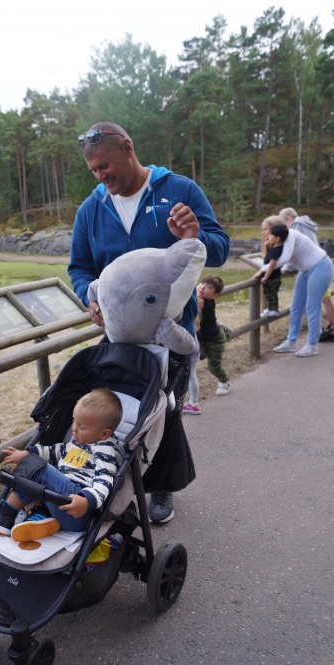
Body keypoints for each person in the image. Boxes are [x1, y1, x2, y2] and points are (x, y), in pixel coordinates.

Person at [68, 122, 230, 524]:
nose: (101, 176)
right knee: (122, 410)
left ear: (127, 147)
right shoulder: (91, 209)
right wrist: (90, 294)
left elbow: (220, 247)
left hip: (170, 333)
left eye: (105, 165)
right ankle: (115, 481)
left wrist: (196, 235)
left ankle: (160, 487)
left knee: (165, 408)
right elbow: (80, 269)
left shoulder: (179, 189)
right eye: (94, 171)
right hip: (118, 335)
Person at [0, 388, 123, 541]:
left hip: (76, 510)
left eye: (82, 426)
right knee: (35, 470)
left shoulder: (105, 450)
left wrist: (87, 501)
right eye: (74, 421)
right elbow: (55, 451)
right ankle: (40, 516)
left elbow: (104, 480)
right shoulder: (77, 442)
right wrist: (29, 453)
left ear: (104, 434)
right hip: (55, 503)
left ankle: (4, 515)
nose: (74, 428)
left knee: (39, 469)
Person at [267, 225, 334, 357]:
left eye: (267, 231)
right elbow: (278, 260)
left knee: (312, 307)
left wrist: (263, 271)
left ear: (277, 235)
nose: (265, 234)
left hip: (320, 267)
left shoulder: (291, 235)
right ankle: (291, 341)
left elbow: (285, 258)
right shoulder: (279, 242)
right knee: (296, 307)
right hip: (305, 271)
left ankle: (312, 345)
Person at [182, 275, 230, 411]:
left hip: (215, 340)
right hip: (201, 339)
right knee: (196, 361)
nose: (203, 286)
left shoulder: (203, 302)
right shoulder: (202, 300)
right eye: (202, 283)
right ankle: (192, 401)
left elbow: (190, 299)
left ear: (214, 295)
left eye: (209, 287)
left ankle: (224, 382)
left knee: (213, 367)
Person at [254, 223, 285, 318]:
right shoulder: (279, 247)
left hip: (271, 277)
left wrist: (265, 276)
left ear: (277, 238)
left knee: (269, 294)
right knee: (273, 294)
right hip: (276, 276)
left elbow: (271, 265)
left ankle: (272, 310)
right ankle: (274, 309)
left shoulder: (275, 251)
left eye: (271, 235)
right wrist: (267, 245)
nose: (267, 236)